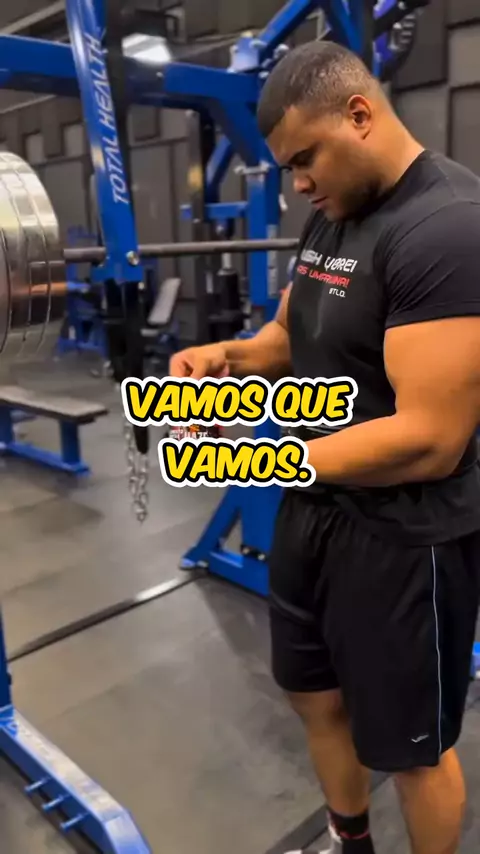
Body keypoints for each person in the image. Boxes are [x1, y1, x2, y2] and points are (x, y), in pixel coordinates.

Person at [169, 40, 480, 854]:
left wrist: (256, 457)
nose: (298, 184)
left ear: (360, 114)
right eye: (288, 168)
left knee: (413, 751)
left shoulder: (447, 228)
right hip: (315, 513)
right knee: (314, 695)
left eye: (305, 160)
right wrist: (226, 357)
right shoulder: (332, 215)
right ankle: (352, 841)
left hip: (406, 536)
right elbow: (291, 335)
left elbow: (430, 440)